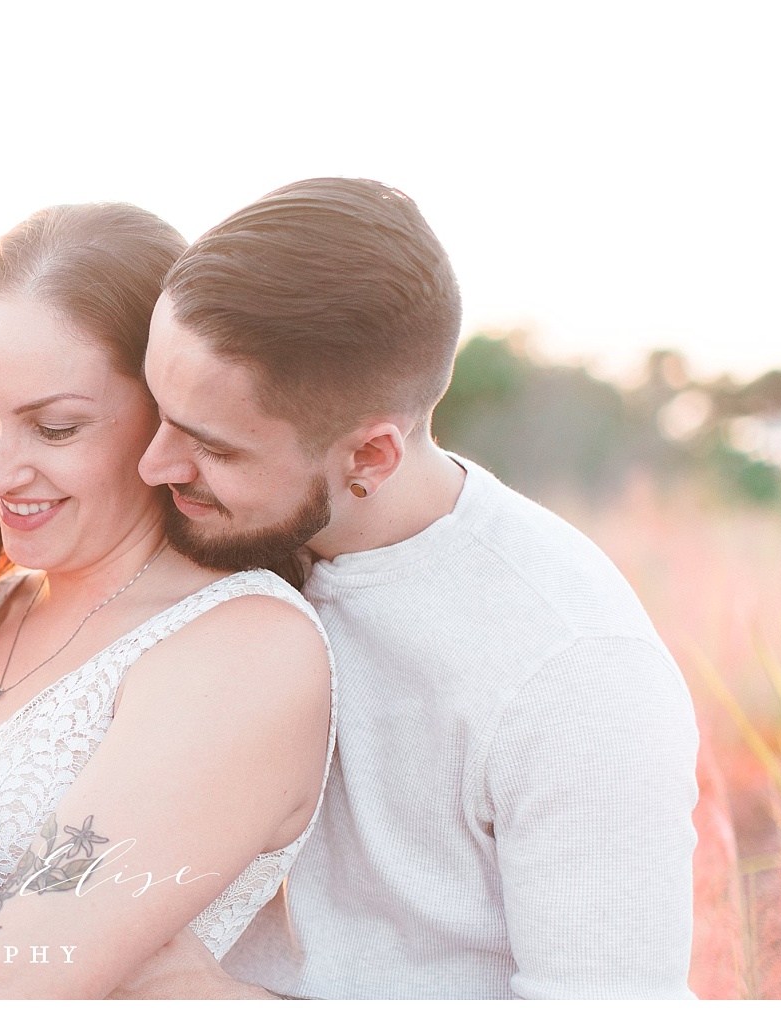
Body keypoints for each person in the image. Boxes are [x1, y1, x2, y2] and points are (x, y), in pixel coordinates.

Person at [118, 177, 700, 998]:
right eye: (158, 409)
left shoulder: (574, 673)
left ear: (371, 457)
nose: (153, 466)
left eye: (213, 446)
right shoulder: (206, 536)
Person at [0, 203, 337, 999]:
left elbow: (16, 971)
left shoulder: (243, 651)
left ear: (167, 420)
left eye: (56, 429)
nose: (0, 472)